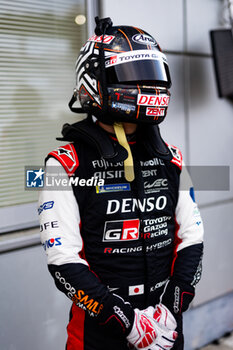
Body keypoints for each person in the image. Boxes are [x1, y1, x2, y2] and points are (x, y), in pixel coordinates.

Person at [38, 17, 204, 350]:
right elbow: (62, 259)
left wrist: (171, 309)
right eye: (133, 75)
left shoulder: (172, 158)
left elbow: (193, 236)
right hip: (99, 335)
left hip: (166, 330)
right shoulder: (63, 164)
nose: (149, 84)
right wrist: (127, 322)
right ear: (95, 81)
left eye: (154, 73)